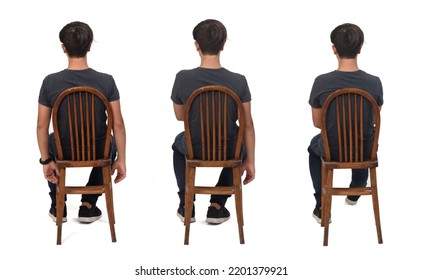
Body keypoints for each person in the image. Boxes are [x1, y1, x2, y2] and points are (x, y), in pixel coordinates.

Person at [37, 21, 126, 224]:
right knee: (109, 142)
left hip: (62, 150)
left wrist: (45, 161)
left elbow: (41, 126)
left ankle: (57, 203)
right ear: (89, 47)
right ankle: (88, 205)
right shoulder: (106, 81)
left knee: (50, 141)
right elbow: (118, 124)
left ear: (64, 48)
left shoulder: (50, 82)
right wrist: (121, 158)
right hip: (98, 149)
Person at [171, 19, 255, 224]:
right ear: (223, 45)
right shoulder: (238, 80)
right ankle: (217, 205)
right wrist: (251, 161)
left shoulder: (183, 78)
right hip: (228, 147)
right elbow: (248, 125)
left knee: (178, 143)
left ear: (196, 45)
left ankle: (186, 202)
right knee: (239, 144)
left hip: (195, 147)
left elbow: (180, 116)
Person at [307, 23, 383, 224]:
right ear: (359, 48)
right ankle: (357, 187)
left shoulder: (321, 82)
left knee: (313, 147)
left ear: (334, 49)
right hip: (364, 149)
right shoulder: (374, 82)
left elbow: (317, 123)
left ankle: (321, 202)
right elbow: (373, 120)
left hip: (333, 149)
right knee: (363, 137)